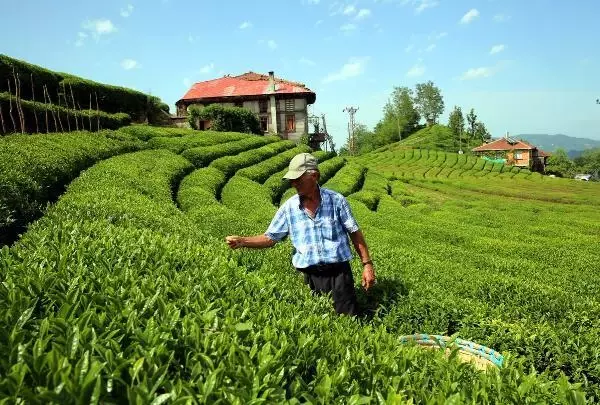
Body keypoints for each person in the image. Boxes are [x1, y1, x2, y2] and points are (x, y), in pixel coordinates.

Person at [225, 153, 376, 315]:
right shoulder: (289, 208)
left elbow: (354, 232)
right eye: (292, 180)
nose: (294, 184)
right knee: (316, 326)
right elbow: (270, 237)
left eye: (298, 179)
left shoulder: (337, 201)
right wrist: (242, 241)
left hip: (339, 274)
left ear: (315, 176)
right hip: (308, 277)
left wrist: (367, 265)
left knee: (348, 321)